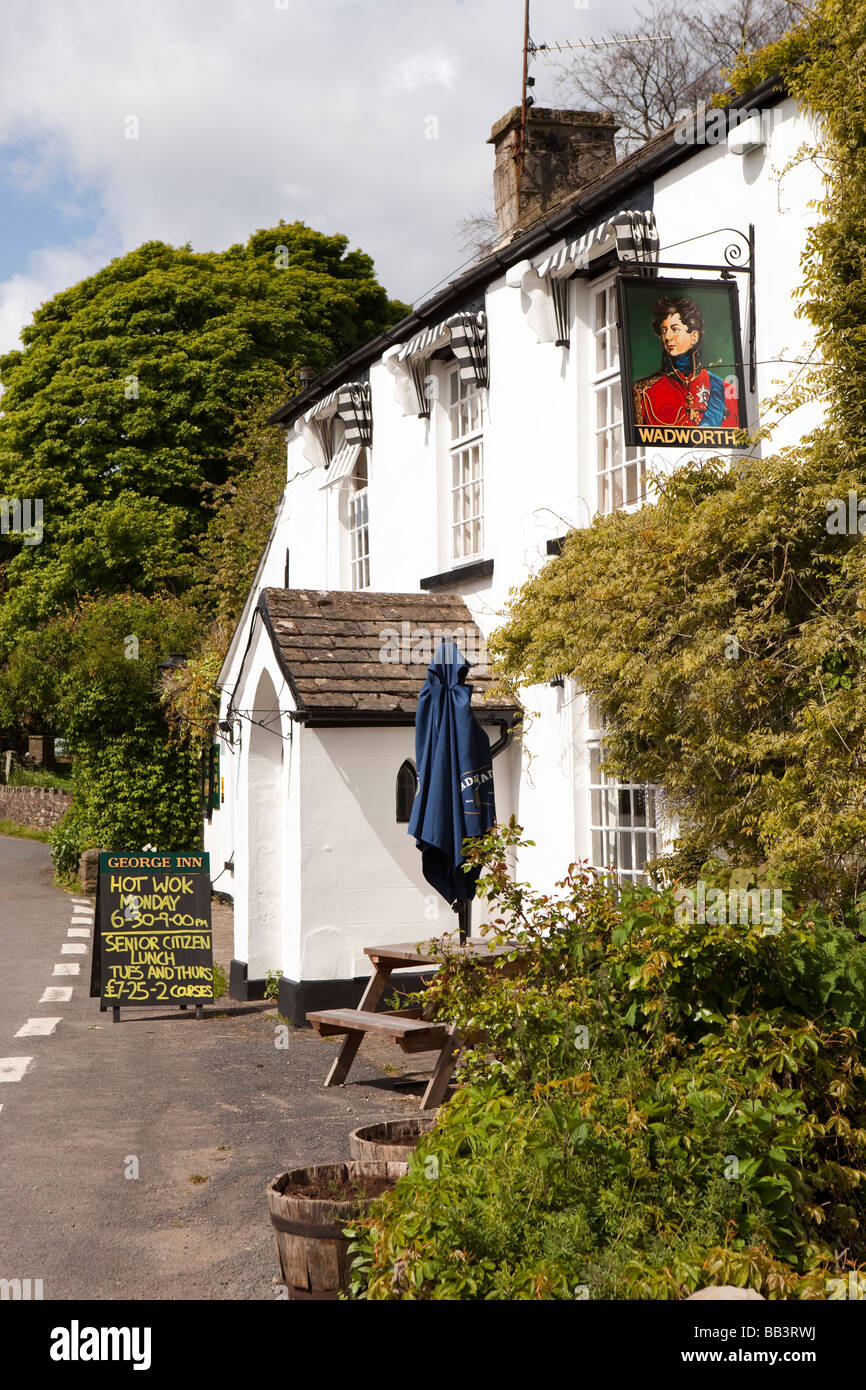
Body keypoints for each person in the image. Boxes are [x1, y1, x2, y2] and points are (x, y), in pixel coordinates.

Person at [632, 296, 738, 429]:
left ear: (694, 337)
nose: (667, 337)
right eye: (664, 330)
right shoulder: (643, 392)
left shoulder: (725, 390)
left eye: (675, 329)